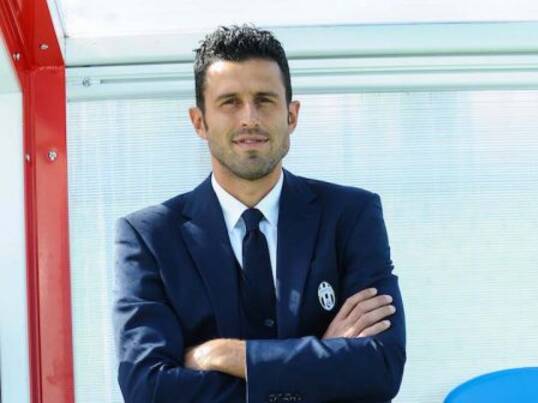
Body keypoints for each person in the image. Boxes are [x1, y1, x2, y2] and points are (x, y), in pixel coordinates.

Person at [113, 25, 406, 403]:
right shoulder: (149, 236)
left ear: (292, 115)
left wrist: (229, 355)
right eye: (230, 102)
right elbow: (148, 389)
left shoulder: (351, 215)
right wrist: (322, 356)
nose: (249, 118)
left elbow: (380, 368)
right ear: (199, 121)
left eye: (264, 100)